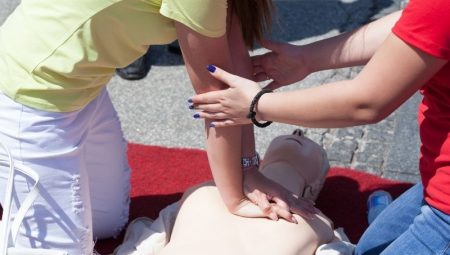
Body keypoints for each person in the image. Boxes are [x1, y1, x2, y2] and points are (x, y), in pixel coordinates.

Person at [0, 1, 315, 254]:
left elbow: (233, 67)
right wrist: (236, 196)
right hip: (27, 97)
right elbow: (216, 95)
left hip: (84, 91)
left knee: (107, 223)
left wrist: (249, 170)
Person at [189, 0, 450, 254]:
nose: (297, 137)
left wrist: (257, 104)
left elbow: (366, 102)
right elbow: (420, 23)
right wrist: (307, 59)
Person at [114, 130, 335, 255]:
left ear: (313, 187)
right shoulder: (208, 192)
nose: (298, 132)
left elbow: (144, 242)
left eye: (307, 142)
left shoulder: (317, 223)